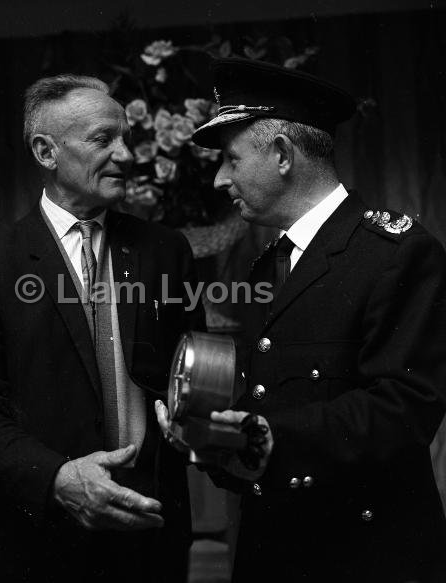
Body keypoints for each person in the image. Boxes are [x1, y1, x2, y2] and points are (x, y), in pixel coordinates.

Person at [156, 57, 446, 582]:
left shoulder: (396, 253)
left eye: (230, 159)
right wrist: (211, 438)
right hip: (274, 549)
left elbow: (406, 409)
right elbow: (266, 404)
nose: (221, 179)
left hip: (364, 556)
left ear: (282, 154)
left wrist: (266, 435)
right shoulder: (270, 262)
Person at [0, 74, 204, 582]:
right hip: (34, 535)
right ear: (46, 151)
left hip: (148, 529)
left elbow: (191, 378)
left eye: (127, 138)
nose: (126, 155)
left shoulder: (167, 250)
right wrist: (59, 478)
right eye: (104, 140)